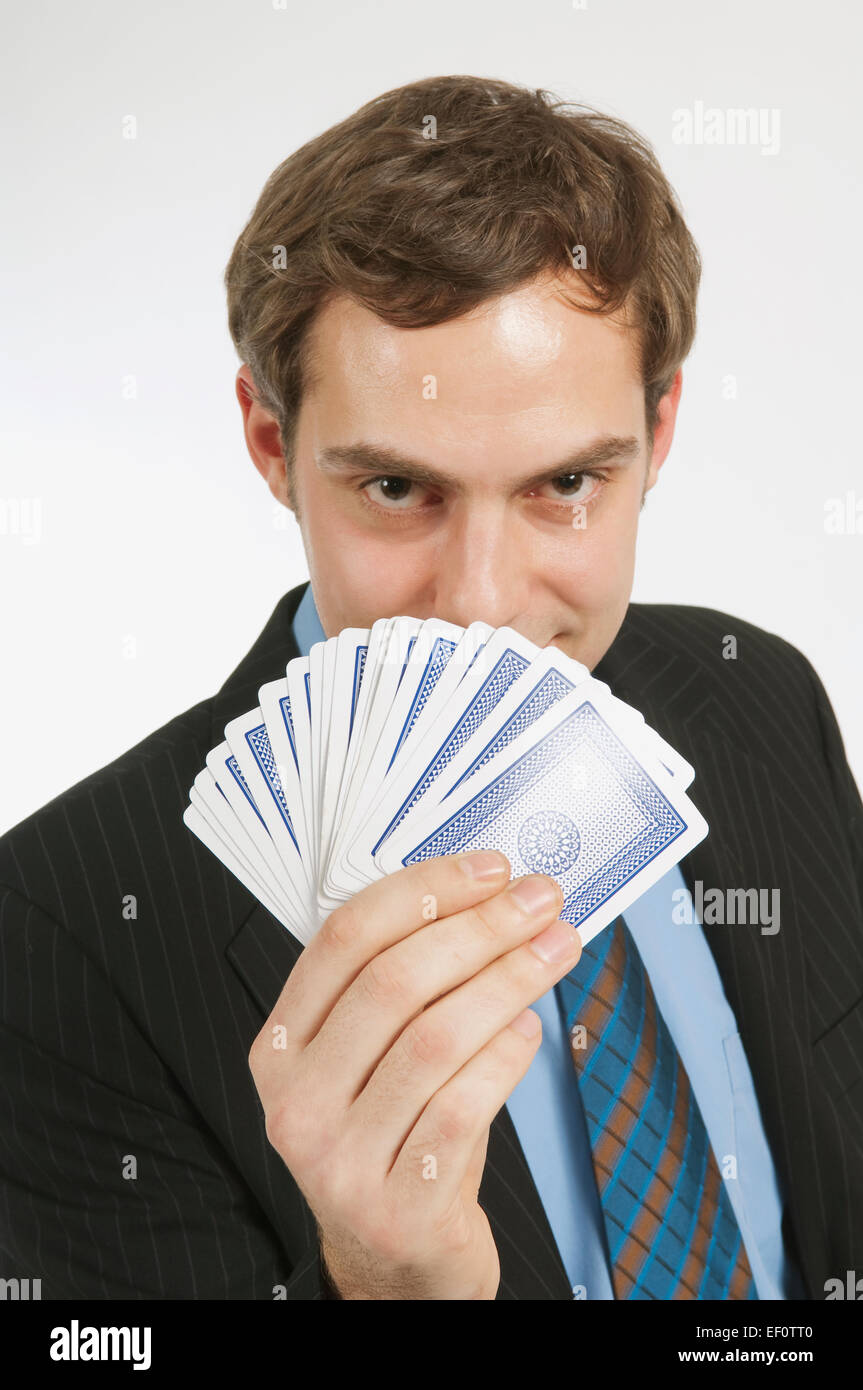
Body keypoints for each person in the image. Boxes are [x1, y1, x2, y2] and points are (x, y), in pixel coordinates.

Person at [1, 74, 860, 1302]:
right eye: (398, 490)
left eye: (565, 483)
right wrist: (391, 1286)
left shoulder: (762, 699)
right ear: (270, 444)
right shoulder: (57, 933)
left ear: (657, 432)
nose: (482, 604)